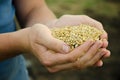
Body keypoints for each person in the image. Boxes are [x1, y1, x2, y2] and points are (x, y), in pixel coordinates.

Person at [0, 0, 110, 80]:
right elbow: (26, 39)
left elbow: (32, 8)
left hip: (13, 73)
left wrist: (50, 26)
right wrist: (24, 41)